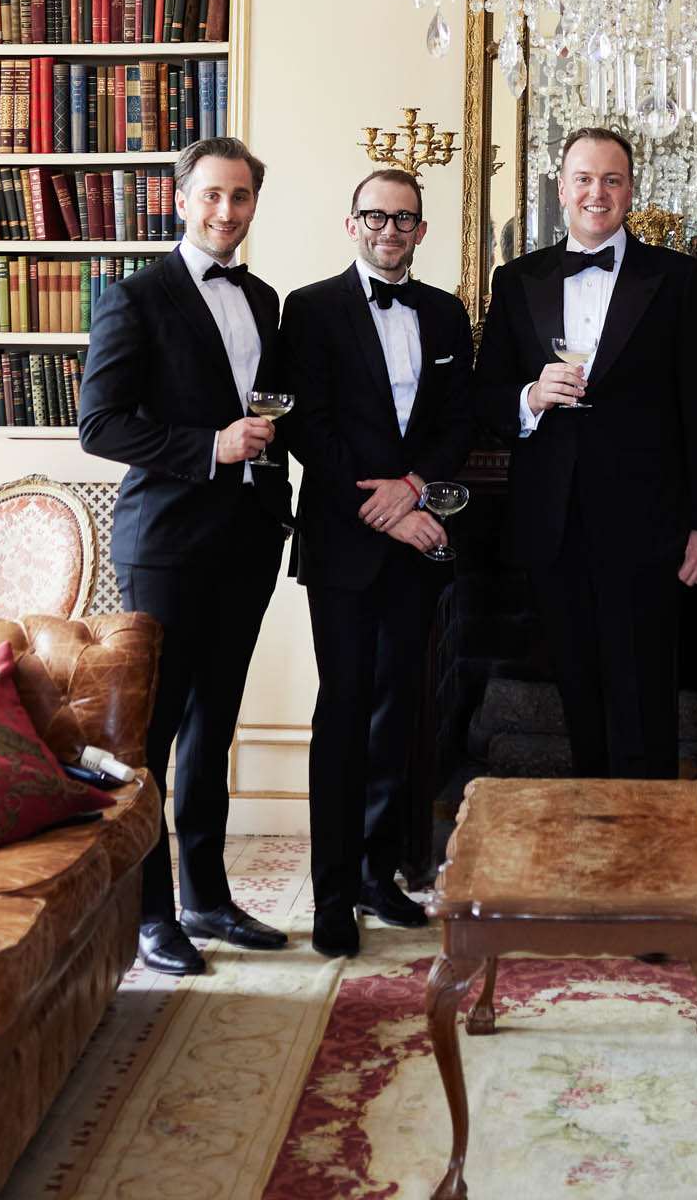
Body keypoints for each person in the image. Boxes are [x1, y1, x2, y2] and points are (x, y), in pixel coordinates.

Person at [79, 136, 291, 976]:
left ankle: (206, 896)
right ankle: (148, 913)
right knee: (153, 738)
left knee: (215, 726)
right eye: (211, 196)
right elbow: (100, 425)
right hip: (165, 545)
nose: (226, 212)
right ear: (181, 199)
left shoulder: (265, 298)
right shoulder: (134, 296)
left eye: (239, 197)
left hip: (247, 541)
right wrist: (212, 445)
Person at [473, 126, 697, 778]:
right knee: (575, 692)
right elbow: (485, 395)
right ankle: (592, 853)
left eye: (611, 179)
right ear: (561, 188)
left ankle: (651, 855)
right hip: (550, 525)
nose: (597, 192)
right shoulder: (516, 279)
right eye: (583, 178)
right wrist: (529, 396)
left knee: (645, 698)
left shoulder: (678, 279)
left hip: (650, 525)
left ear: (630, 190)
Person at [279, 167, 474, 958]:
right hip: (344, 543)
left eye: (404, 219)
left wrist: (417, 491)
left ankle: (375, 873)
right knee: (345, 709)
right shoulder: (311, 308)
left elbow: (460, 420)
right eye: (374, 217)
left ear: (421, 231)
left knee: (400, 709)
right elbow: (307, 428)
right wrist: (386, 512)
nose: (389, 230)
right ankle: (330, 894)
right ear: (351, 223)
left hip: (417, 533)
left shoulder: (447, 312)